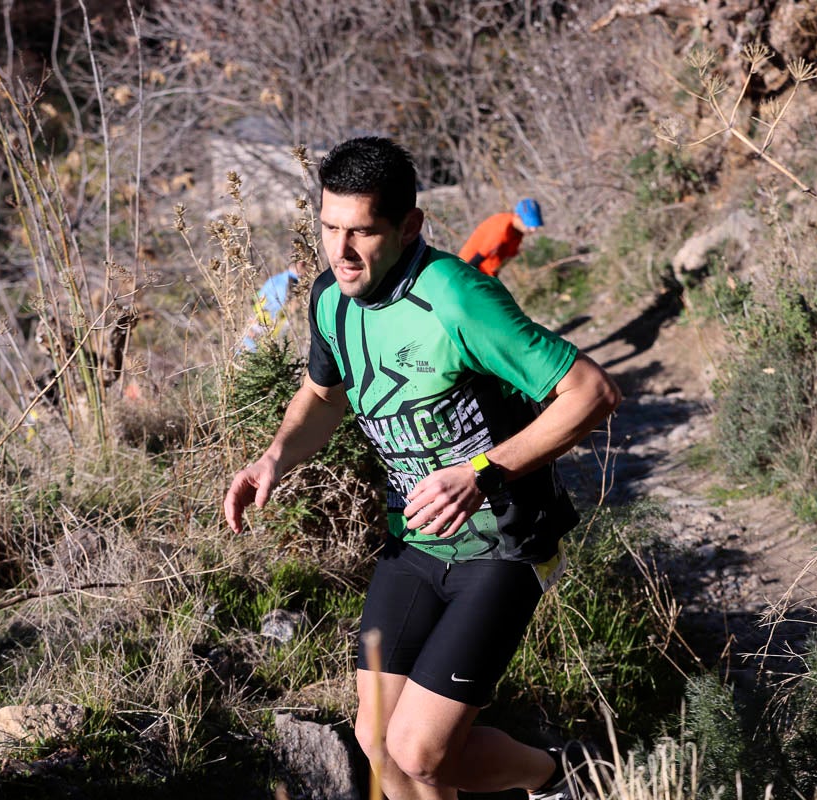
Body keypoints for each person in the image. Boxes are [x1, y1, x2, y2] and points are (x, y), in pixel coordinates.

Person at [224, 137, 620, 799]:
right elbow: (325, 396)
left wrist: (482, 472)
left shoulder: (458, 299)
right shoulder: (331, 301)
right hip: (411, 542)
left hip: (504, 541)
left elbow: (592, 392)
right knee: (378, 743)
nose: (342, 253)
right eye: (329, 228)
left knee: (421, 752)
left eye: (362, 233)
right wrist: (274, 457)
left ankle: (561, 774)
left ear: (409, 227)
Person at [458, 197, 544, 277]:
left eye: (535, 226)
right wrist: (464, 276)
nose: (533, 230)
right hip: (469, 268)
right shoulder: (501, 230)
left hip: (488, 273)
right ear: (517, 217)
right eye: (529, 225)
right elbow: (477, 258)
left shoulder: (519, 231)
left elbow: (505, 258)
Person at [237, 261, 304, 352]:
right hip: (265, 322)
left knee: (248, 350)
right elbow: (289, 308)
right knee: (255, 351)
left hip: (260, 319)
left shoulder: (278, 278)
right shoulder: (288, 282)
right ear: (301, 264)